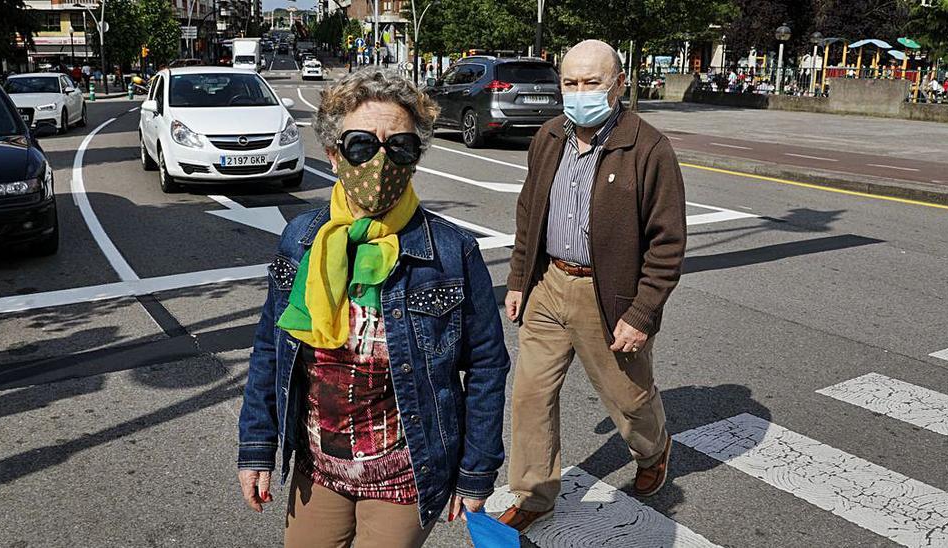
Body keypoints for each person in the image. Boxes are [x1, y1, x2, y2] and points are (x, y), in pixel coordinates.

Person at [236, 67, 511, 548]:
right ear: (333, 154)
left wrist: (475, 471)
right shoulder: (300, 241)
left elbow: (487, 365)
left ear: (415, 157)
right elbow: (269, 350)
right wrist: (256, 448)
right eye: (361, 144)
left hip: (405, 473)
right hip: (316, 466)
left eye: (399, 146)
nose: (380, 162)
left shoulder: (451, 252)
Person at [498, 39, 687, 533]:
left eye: (592, 82)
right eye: (570, 83)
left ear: (619, 84)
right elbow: (528, 213)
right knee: (530, 394)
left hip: (606, 297)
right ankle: (535, 494)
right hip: (548, 284)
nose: (579, 93)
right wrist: (519, 278)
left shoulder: (648, 148)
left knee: (628, 397)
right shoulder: (548, 137)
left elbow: (668, 244)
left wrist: (642, 313)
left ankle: (654, 447)